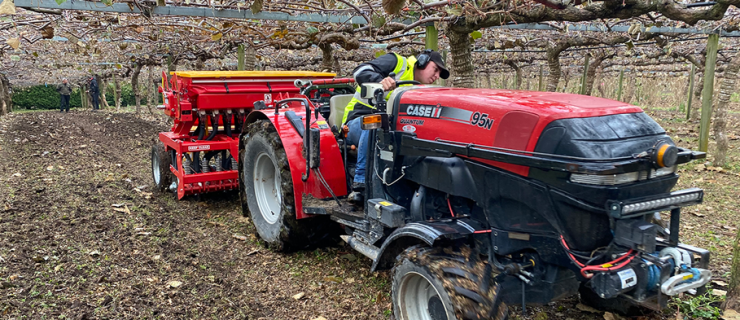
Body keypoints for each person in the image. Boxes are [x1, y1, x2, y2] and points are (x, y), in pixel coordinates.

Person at [342, 49, 449, 202]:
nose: (437, 76)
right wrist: (379, 80)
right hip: (356, 122)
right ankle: (360, 184)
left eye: (440, 74)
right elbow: (360, 71)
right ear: (423, 61)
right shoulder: (398, 63)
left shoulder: (421, 91)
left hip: (387, 127)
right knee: (377, 122)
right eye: (436, 69)